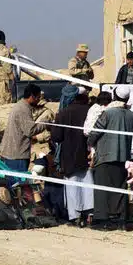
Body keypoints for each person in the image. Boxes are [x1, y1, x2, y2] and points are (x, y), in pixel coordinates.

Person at [86, 86, 133, 229]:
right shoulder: (132, 115)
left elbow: (94, 133)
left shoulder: (107, 113)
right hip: (122, 156)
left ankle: (102, 220)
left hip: (105, 156)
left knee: (102, 189)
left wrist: (89, 143)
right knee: (120, 189)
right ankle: (121, 219)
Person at [51, 87, 94, 226]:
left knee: (72, 186)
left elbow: (56, 137)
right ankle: (89, 215)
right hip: (87, 154)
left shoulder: (63, 113)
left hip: (68, 156)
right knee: (88, 184)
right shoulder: (89, 110)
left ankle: (76, 217)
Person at [0, 84, 48, 172]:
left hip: (12, 153)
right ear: (32, 96)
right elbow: (30, 131)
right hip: (17, 155)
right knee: (18, 183)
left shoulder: (21, 105)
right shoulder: (23, 109)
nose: (38, 100)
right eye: (38, 97)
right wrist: (45, 123)